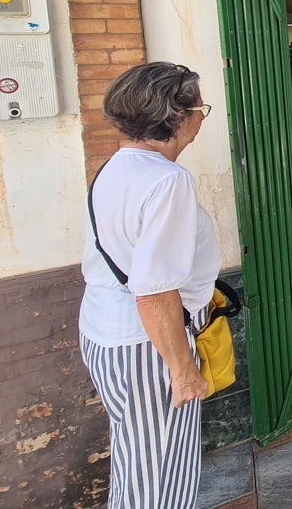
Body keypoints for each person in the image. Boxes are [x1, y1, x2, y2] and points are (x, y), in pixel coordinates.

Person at [78, 62, 221, 508]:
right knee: (159, 481)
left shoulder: (117, 167)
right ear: (176, 116)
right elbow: (155, 290)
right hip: (150, 346)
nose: (202, 116)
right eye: (199, 107)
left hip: (107, 333)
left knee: (137, 462)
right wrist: (182, 371)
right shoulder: (167, 179)